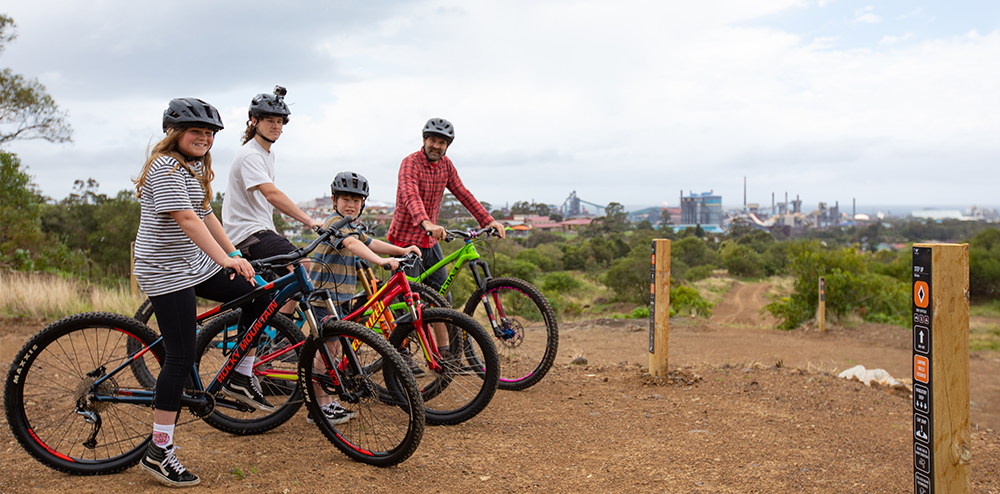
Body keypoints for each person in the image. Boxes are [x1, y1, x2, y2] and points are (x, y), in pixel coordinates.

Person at [132, 98, 271, 487]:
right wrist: (225, 260)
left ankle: (241, 375)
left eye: (210, 134)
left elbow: (207, 214)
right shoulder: (164, 169)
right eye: (197, 132)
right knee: (179, 354)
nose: (205, 139)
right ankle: (159, 451)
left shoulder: (194, 168)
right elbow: (189, 220)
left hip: (193, 263)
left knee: (258, 293)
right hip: (165, 270)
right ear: (176, 134)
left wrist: (233, 254)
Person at [307, 171, 421, 423]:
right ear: (334, 199)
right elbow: (352, 244)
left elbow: (370, 242)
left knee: (334, 349)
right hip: (325, 297)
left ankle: (327, 401)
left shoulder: (350, 225)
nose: (351, 205)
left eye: (357, 201)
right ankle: (318, 407)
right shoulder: (333, 223)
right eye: (346, 199)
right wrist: (381, 262)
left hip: (340, 298)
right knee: (326, 350)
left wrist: (402, 250)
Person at [387, 118, 505, 354]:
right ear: (424, 140)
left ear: (447, 146)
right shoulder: (410, 163)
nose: (436, 146)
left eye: (442, 142)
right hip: (404, 244)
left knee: (442, 300)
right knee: (405, 305)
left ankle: (446, 354)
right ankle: (400, 357)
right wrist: (426, 222)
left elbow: (463, 193)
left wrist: (488, 220)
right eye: (433, 140)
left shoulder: (446, 165)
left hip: (430, 244)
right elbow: (411, 196)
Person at [223, 86, 323, 321]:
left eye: (280, 121)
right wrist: (309, 220)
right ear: (254, 121)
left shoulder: (266, 153)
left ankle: (272, 328)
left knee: (285, 280)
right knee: (302, 266)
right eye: (270, 121)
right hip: (247, 234)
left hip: (259, 231)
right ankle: (280, 331)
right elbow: (271, 194)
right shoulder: (251, 155)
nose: (276, 126)